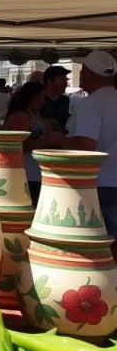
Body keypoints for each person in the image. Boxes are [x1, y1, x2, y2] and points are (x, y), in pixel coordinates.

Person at [63, 50, 117, 235]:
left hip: (103, 182)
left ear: (88, 73)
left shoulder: (92, 104)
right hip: (110, 180)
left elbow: (84, 148)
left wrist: (59, 141)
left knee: (103, 240)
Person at [4, 81, 64, 204]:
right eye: (39, 97)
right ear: (29, 98)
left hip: (36, 171)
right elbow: (23, 144)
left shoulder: (35, 114)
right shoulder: (20, 116)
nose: (42, 101)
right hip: (27, 172)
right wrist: (48, 141)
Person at [40, 65, 71, 131]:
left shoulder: (65, 100)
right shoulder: (39, 100)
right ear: (49, 82)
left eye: (66, 79)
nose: (65, 83)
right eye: (61, 79)